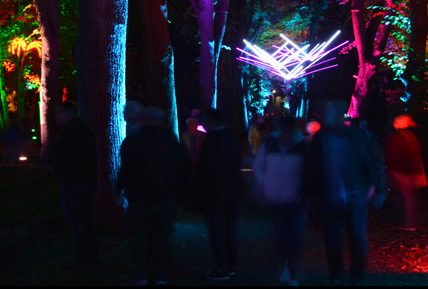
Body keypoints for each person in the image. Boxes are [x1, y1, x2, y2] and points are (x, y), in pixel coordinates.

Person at [306, 100, 377, 285]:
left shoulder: (349, 135)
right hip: (336, 195)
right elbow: (313, 165)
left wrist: (372, 183)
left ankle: (349, 274)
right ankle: (341, 273)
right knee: (335, 239)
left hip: (351, 194)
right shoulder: (331, 136)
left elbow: (368, 158)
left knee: (353, 237)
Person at [118, 106, 189, 286]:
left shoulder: (133, 142)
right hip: (165, 196)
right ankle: (163, 273)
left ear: (143, 120)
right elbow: (182, 165)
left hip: (139, 197)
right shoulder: (170, 140)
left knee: (137, 237)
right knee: (164, 236)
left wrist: (121, 188)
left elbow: (125, 169)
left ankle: (139, 273)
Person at [253, 115, 309, 286]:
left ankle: (292, 270)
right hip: (275, 197)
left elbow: (309, 171)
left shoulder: (302, 146)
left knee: (294, 235)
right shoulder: (271, 144)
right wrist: (266, 184)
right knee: (281, 234)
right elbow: (258, 166)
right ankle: (286, 267)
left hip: (295, 198)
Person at [191, 108, 243, 281]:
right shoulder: (231, 139)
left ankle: (222, 267)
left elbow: (204, 168)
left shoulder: (211, 140)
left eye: (204, 119)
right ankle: (232, 265)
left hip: (214, 192)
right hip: (232, 190)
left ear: (211, 120)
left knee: (217, 230)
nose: (202, 123)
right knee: (230, 228)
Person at [52, 101, 98, 270]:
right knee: (84, 220)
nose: (56, 118)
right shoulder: (81, 130)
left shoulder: (73, 133)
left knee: (79, 221)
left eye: (58, 113)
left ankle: (84, 258)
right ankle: (89, 255)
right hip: (83, 182)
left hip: (76, 184)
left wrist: (65, 180)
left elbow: (71, 160)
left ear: (68, 113)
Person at [384, 114, 427, 231]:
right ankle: (413, 219)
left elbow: (393, 155)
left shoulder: (397, 138)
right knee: (411, 196)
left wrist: (390, 168)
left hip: (401, 171)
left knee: (407, 197)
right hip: (412, 170)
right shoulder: (412, 137)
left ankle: (410, 222)